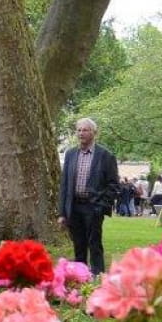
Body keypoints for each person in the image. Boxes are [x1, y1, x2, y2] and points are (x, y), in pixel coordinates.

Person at [58, 117, 121, 273]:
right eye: (79, 130)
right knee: (78, 245)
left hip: (93, 208)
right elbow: (64, 185)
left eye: (85, 130)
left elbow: (114, 185)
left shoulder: (106, 156)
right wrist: (62, 213)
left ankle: (98, 277)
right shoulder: (71, 154)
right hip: (74, 207)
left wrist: (101, 206)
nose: (81, 133)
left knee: (94, 245)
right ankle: (80, 278)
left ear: (94, 132)